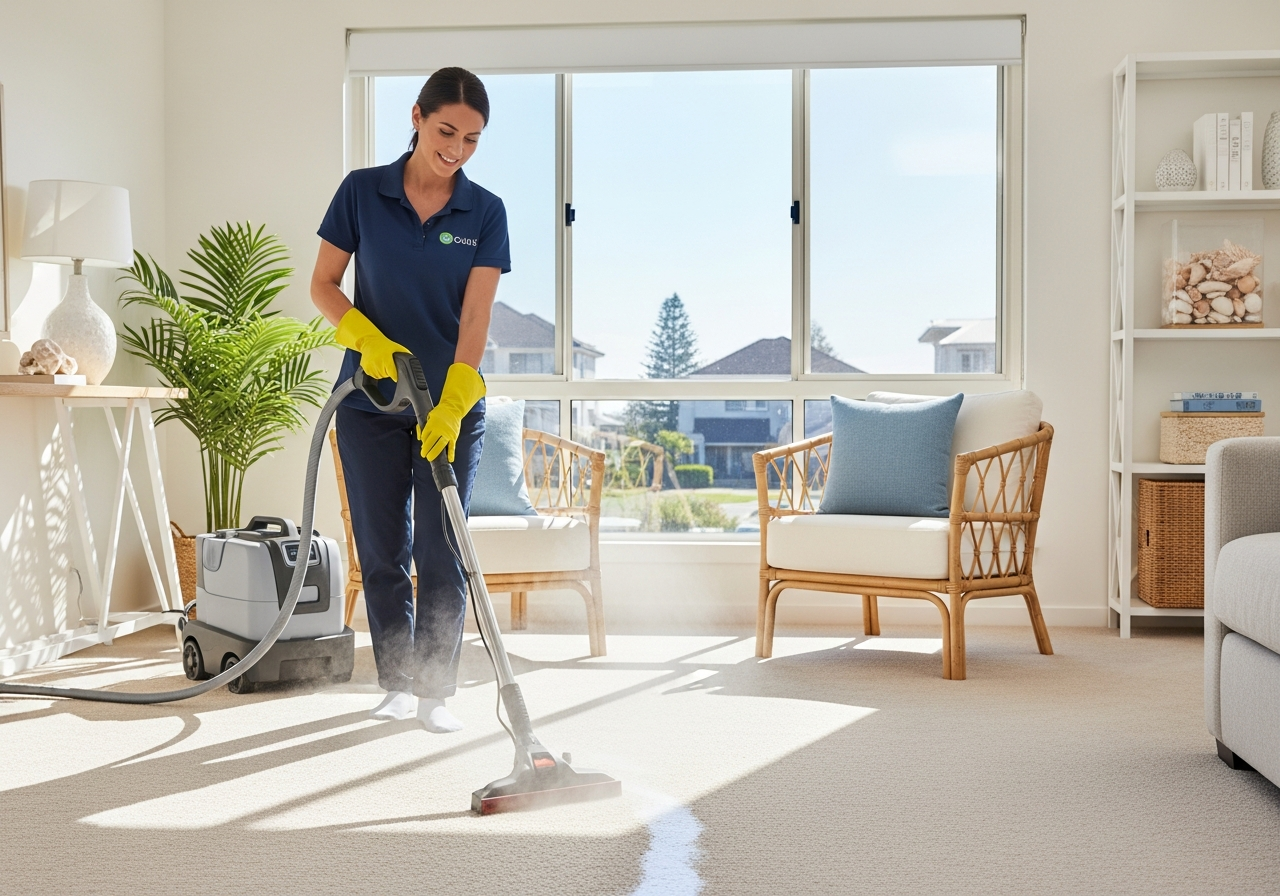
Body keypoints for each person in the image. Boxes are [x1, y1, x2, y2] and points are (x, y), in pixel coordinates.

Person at [310, 67, 508, 732]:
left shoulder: (484, 211)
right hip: (370, 400)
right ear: (418, 117)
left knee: (443, 546)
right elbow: (324, 284)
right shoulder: (363, 192)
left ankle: (435, 691)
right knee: (383, 544)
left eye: (472, 139)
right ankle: (397, 680)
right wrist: (362, 336)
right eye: (446, 130)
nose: (455, 148)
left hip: (447, 402)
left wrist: (454, 399)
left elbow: (475, 319)